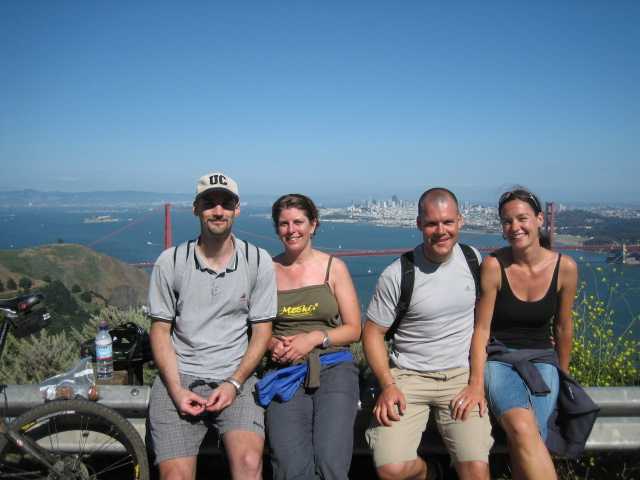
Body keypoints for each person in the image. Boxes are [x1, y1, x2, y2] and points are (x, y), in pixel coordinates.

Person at [147, 172, 277, 480]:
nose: (218, 211)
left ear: (237, 209)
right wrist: (176, 390)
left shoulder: (257, 261)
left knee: (249, 463)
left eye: (226, 203)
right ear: (196, 209)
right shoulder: (170, 262)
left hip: (237, 377)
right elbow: (160, 330)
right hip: (179, 376)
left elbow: (262, 331)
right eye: (209, 203)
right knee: (175, 477)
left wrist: (234, 383)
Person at [363, 188, 493, 480]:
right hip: (408, 377)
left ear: (460, 221)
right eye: (432, 223)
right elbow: (371, 333)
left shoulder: (473, 260)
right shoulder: (398, 274)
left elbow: (484, 324)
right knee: (391, 469)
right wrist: (388, 385)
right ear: (419, 224)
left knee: (476, 472)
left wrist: (476, 384)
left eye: (448, 222)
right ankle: (431, 472)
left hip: (459, 376)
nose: (441, 231)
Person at [454, 187, 578, 480]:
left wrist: (564, 376)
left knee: (532, 435)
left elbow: (563, 327)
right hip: (500, 358)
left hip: (542, 360)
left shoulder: (565, 268)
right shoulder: (494, 266)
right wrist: (475, 383)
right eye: (507, 221)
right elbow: (482, 328)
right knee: (523, 428)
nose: (514, 227)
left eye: (522, 219)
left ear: (539, 219)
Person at [257, 193, 361, 480]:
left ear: (313, 224)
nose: (291, 230)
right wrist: (271, 343)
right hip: (285, 371)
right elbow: (258, 328)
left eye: (298, 222)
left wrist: (315, 337)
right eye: (284, 224)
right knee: (290, 466)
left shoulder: (333, 268)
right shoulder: (266, 272)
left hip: (333, 366)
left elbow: (354, 329)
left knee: (330, 461)